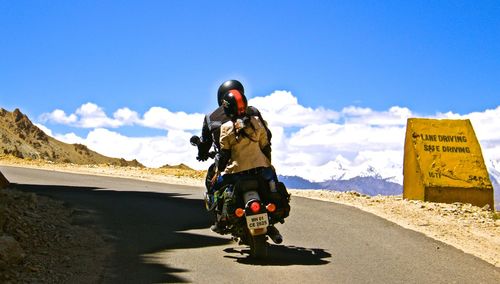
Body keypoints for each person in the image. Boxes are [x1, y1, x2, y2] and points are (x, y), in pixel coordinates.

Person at [209, 89, 277, 232]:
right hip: (260, 170)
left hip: (236, 174)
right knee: (274, 183)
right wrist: (268, 164)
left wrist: (218, 171)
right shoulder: (257, 122)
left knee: (216, 188)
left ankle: (221, 220)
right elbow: (265, 146)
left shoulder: (226, 128)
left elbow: (224, 155)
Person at [196, 80, 272, 189]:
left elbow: (222, 151)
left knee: (214, 186)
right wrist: (268, 163)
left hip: (233, 170)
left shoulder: (214, 120)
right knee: (273, 182)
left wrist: (203, 154)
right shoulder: (254, 115)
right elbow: (267, 139)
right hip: (260, 167)